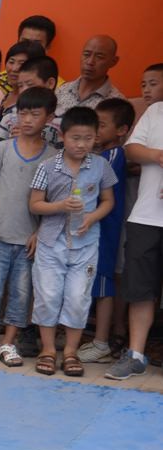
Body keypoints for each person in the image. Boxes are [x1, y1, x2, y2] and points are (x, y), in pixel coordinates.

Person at [0, 87, 59, 366]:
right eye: (23, 113)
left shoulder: (53, 157)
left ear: (49, 117)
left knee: (22, 292)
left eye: (35, 114)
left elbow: (52, 199)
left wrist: (39, 232)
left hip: (28, 239)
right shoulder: (2, 148)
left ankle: (9, 343)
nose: (28, 119)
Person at [28, 107, 117, 377]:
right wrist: (59, 206)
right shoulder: (47, 167)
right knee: (48, 295)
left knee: (78, 298)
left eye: (88, 138)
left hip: (85, 244)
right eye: (76, 138)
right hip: (50, 243)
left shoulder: (100, 165)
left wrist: (92, 217)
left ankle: (70, 352)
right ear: (63, 136)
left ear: (95, 138)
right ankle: (47, 350)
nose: (81, 144)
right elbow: (34, 205)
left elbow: (108, 201)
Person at [105, 100, 163, 380]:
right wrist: (159, 155)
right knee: (140, 287)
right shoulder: (156, 111)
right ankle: (136, 354)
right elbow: (132, 149)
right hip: (146, 216)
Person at [77, 97, 136, 363]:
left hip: (104, 232)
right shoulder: (103, 155)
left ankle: (101, 341)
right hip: (94, 230)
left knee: (103, 284)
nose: (95, 131)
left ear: (121, 131)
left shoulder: (113, 156)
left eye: (101, 126)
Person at [54, 35, 125, 116]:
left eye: (99, 57)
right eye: (86, 55)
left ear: (113, 61)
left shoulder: (116, 103)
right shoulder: (61, 90)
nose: (90, 62)